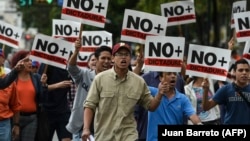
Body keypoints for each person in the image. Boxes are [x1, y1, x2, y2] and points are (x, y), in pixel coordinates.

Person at [82, 42, 168, 141]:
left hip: (128, 135)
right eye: (120, 54)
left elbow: (151, 106)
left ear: (130, 58)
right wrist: (86, 129)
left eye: (126, 55)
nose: (123, 57)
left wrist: (160, 94)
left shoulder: (138, 81)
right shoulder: (100, 79)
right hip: (104, 135)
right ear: (113, 58)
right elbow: (89, 105)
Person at [66, 38, 112, 141]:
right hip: (81, 127)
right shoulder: (85, 75)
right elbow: (71, 67)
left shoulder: (113, 79)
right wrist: (76, 51)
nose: (106, 61)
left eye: (109, 59)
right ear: (96, 59)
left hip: (102, 127)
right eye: (103, 58)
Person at [147, 72, 202, 141]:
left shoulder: (183, 99)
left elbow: (193, 116)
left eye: (175, 74)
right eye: (169, 74)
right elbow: (133, 85)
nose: (173, 76)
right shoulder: (151, 92)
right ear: (161, 78)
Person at [10, 50, 45, 141]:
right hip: (13, 119)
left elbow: (42, 99)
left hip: (31, 119)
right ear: (19, 62)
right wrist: (15, 124)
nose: (30, 63)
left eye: (31, 60)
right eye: (27, 60)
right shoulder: (12, 78)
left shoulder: (36, 78)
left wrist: (44, 86)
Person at [202, 58, 250, 124]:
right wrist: (206, 90)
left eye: (247, 70)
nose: (244, 73)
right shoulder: (225, 89)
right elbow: (206, 107)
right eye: (240, 70)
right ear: (234, 72)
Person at [38, 63, 73, 141]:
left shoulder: (69, 66)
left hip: (63, 110)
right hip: (47, 111)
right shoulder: (47, 64)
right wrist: (58, 85)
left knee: (67, 139)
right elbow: (40, 88)